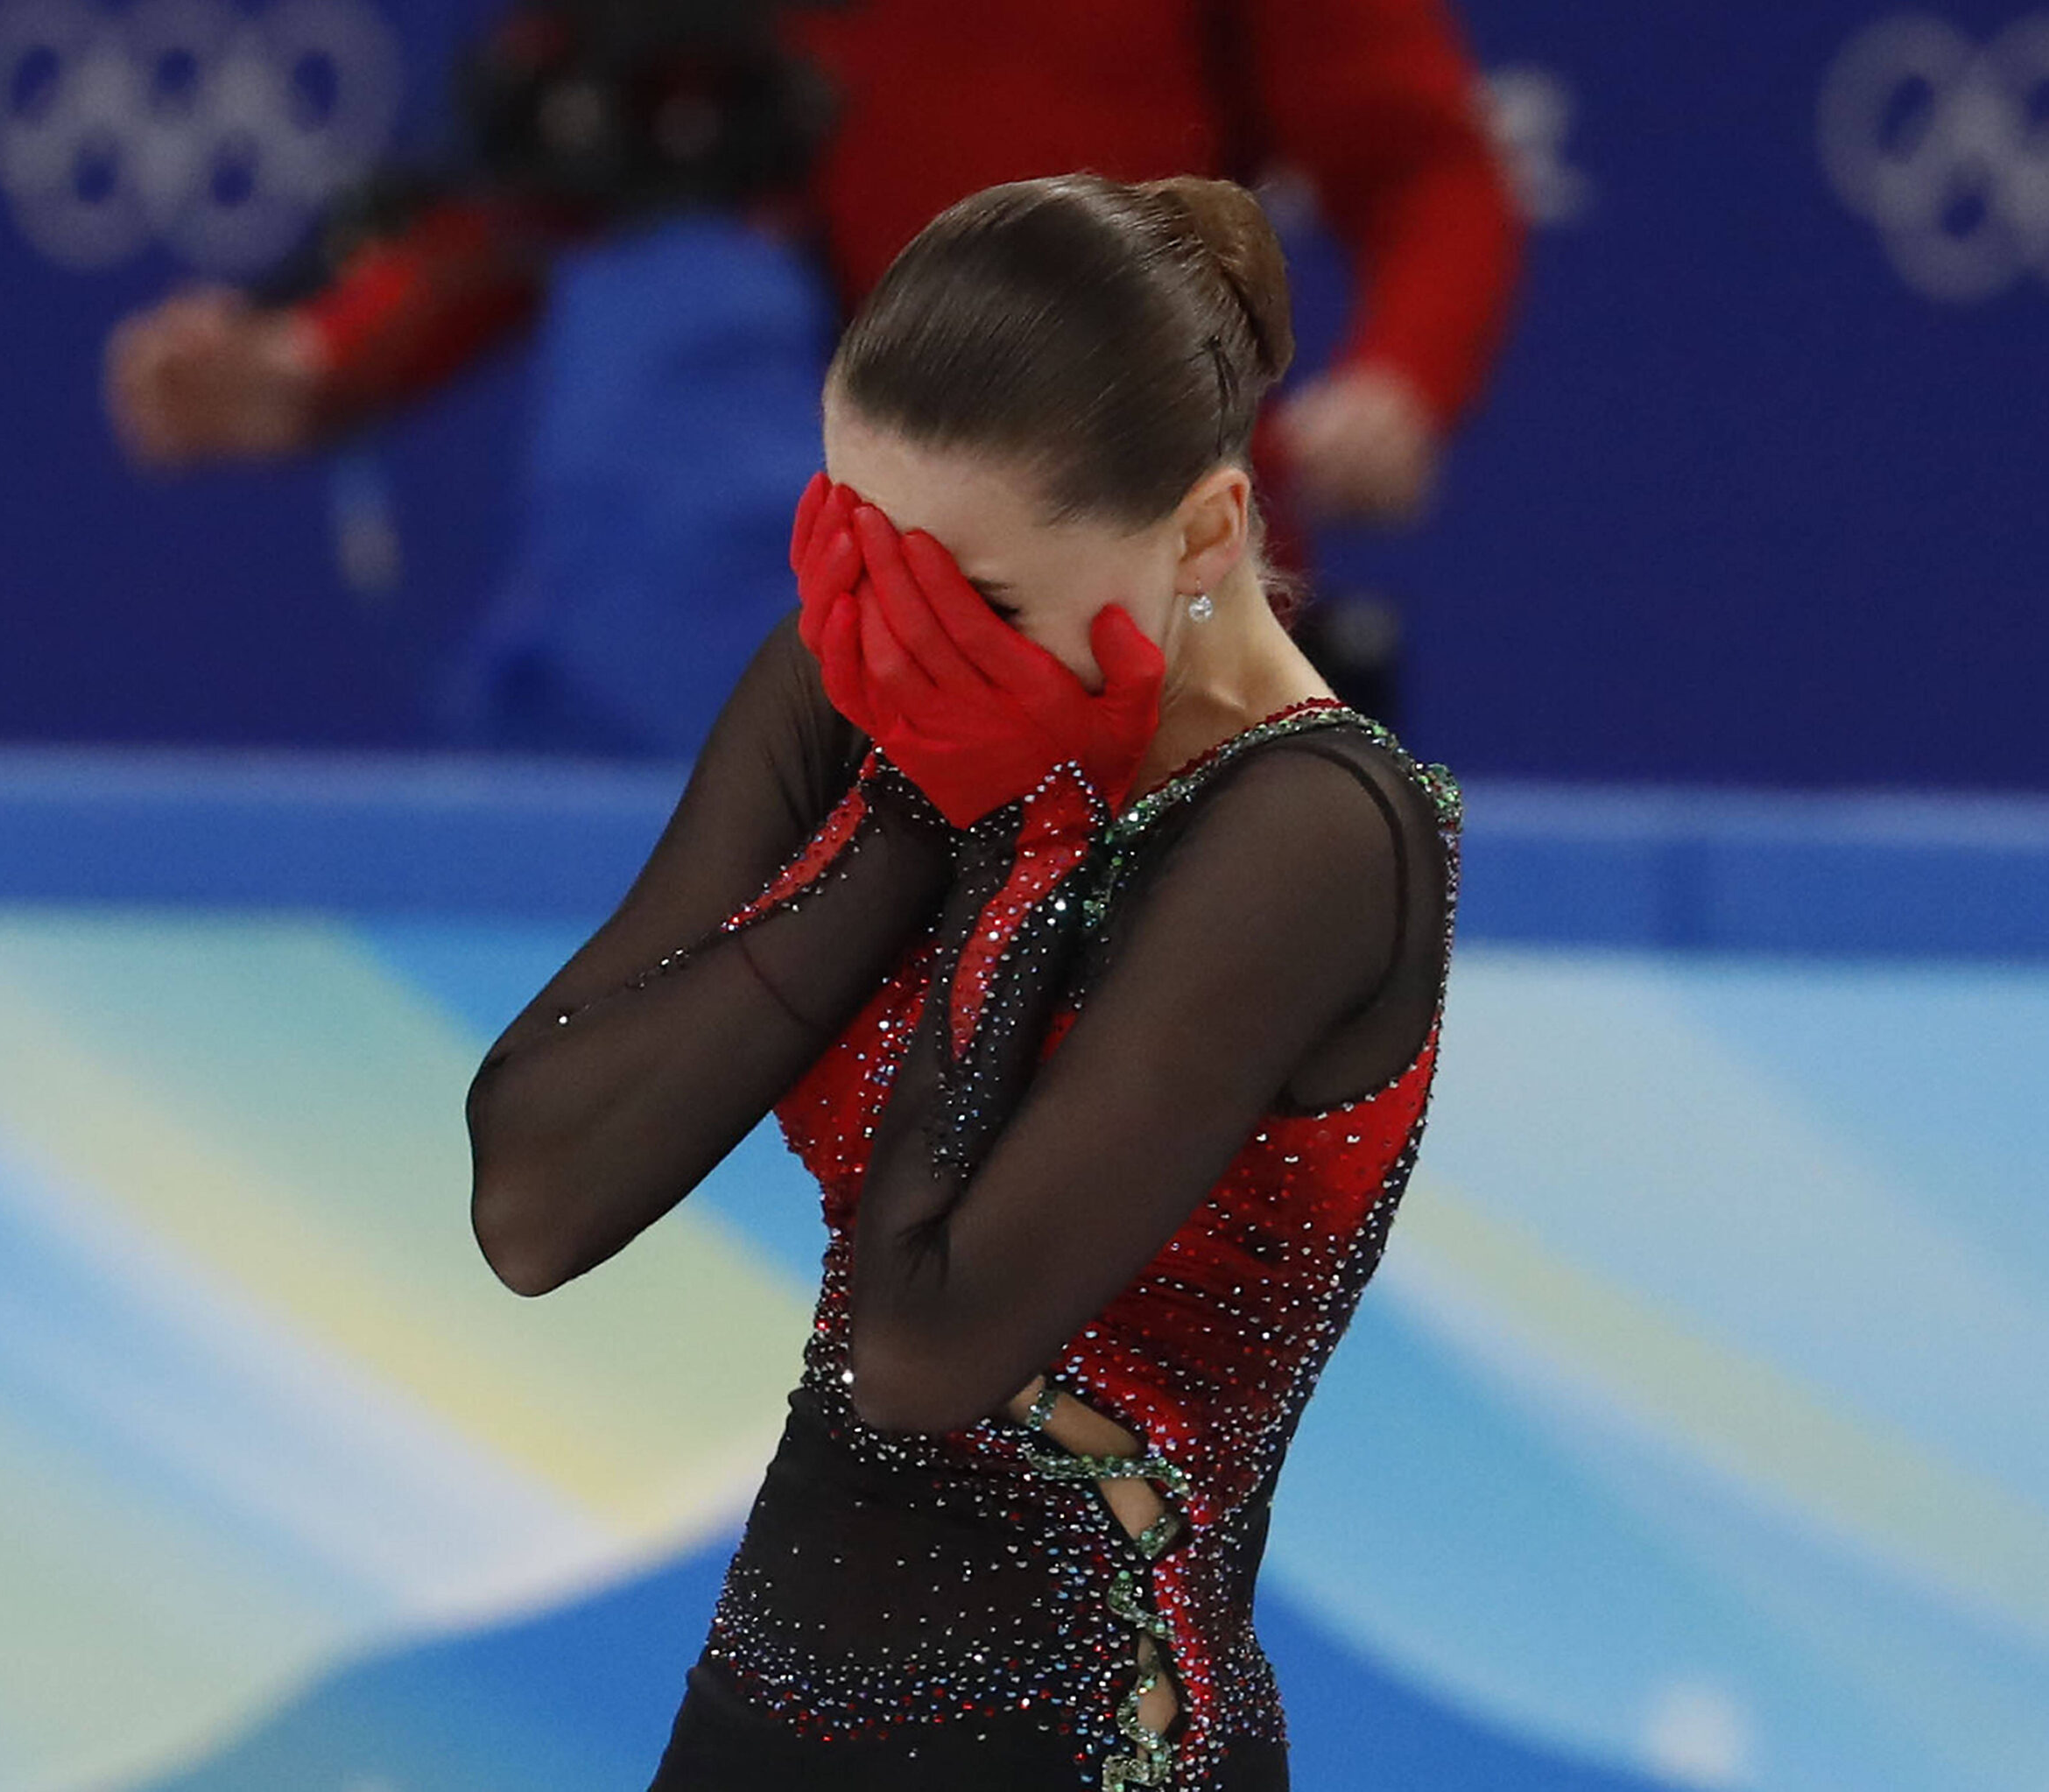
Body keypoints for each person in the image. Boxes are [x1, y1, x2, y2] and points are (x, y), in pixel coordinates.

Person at [466, 172, 1458, 1790]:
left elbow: (927, 1346)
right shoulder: (872, 703)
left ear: (1203, 535)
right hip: (762, 1732)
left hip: (1089, 1745)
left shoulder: (1317, 832)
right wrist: (918, 811)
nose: (895, 642)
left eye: (975, 604)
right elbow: (535, 1198)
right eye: (864, 555)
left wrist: (1002, 826)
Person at [107, 0, 1520, 752]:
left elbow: (1426, 168)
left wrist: (1402, 380)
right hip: (747, 628)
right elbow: (554, 175)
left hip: (1133, 623)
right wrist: (313, 363)